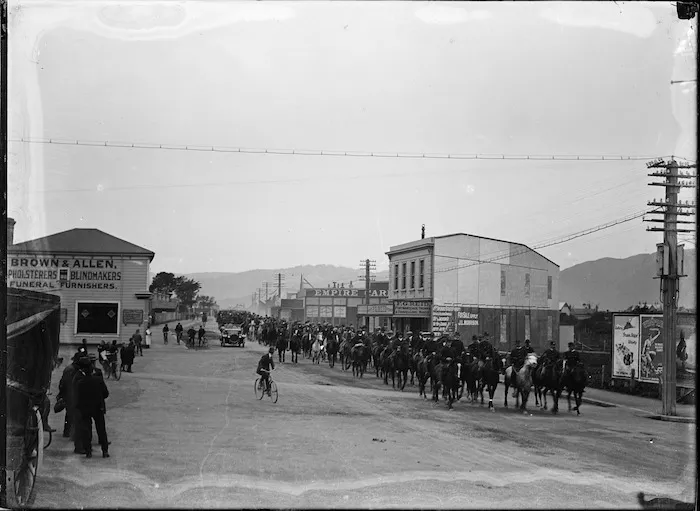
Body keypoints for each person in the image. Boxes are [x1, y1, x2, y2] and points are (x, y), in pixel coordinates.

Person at [76, 356, 110, 458]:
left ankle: (88, 451)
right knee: (101, 429)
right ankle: (105, 451)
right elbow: (106, 393)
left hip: (85, 408)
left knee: (86, 429)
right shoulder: (98, 379)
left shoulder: (80, 382)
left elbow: (78, 396)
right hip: (98, 407)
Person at [58, 352, 82, 438]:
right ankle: (69, 431)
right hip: (71, 395)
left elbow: (62, 383)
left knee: (69, 414)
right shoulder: (72, 370)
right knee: (70, 414)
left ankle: (68, 431)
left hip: (69, 395)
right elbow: (64, 383)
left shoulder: (69, 369)